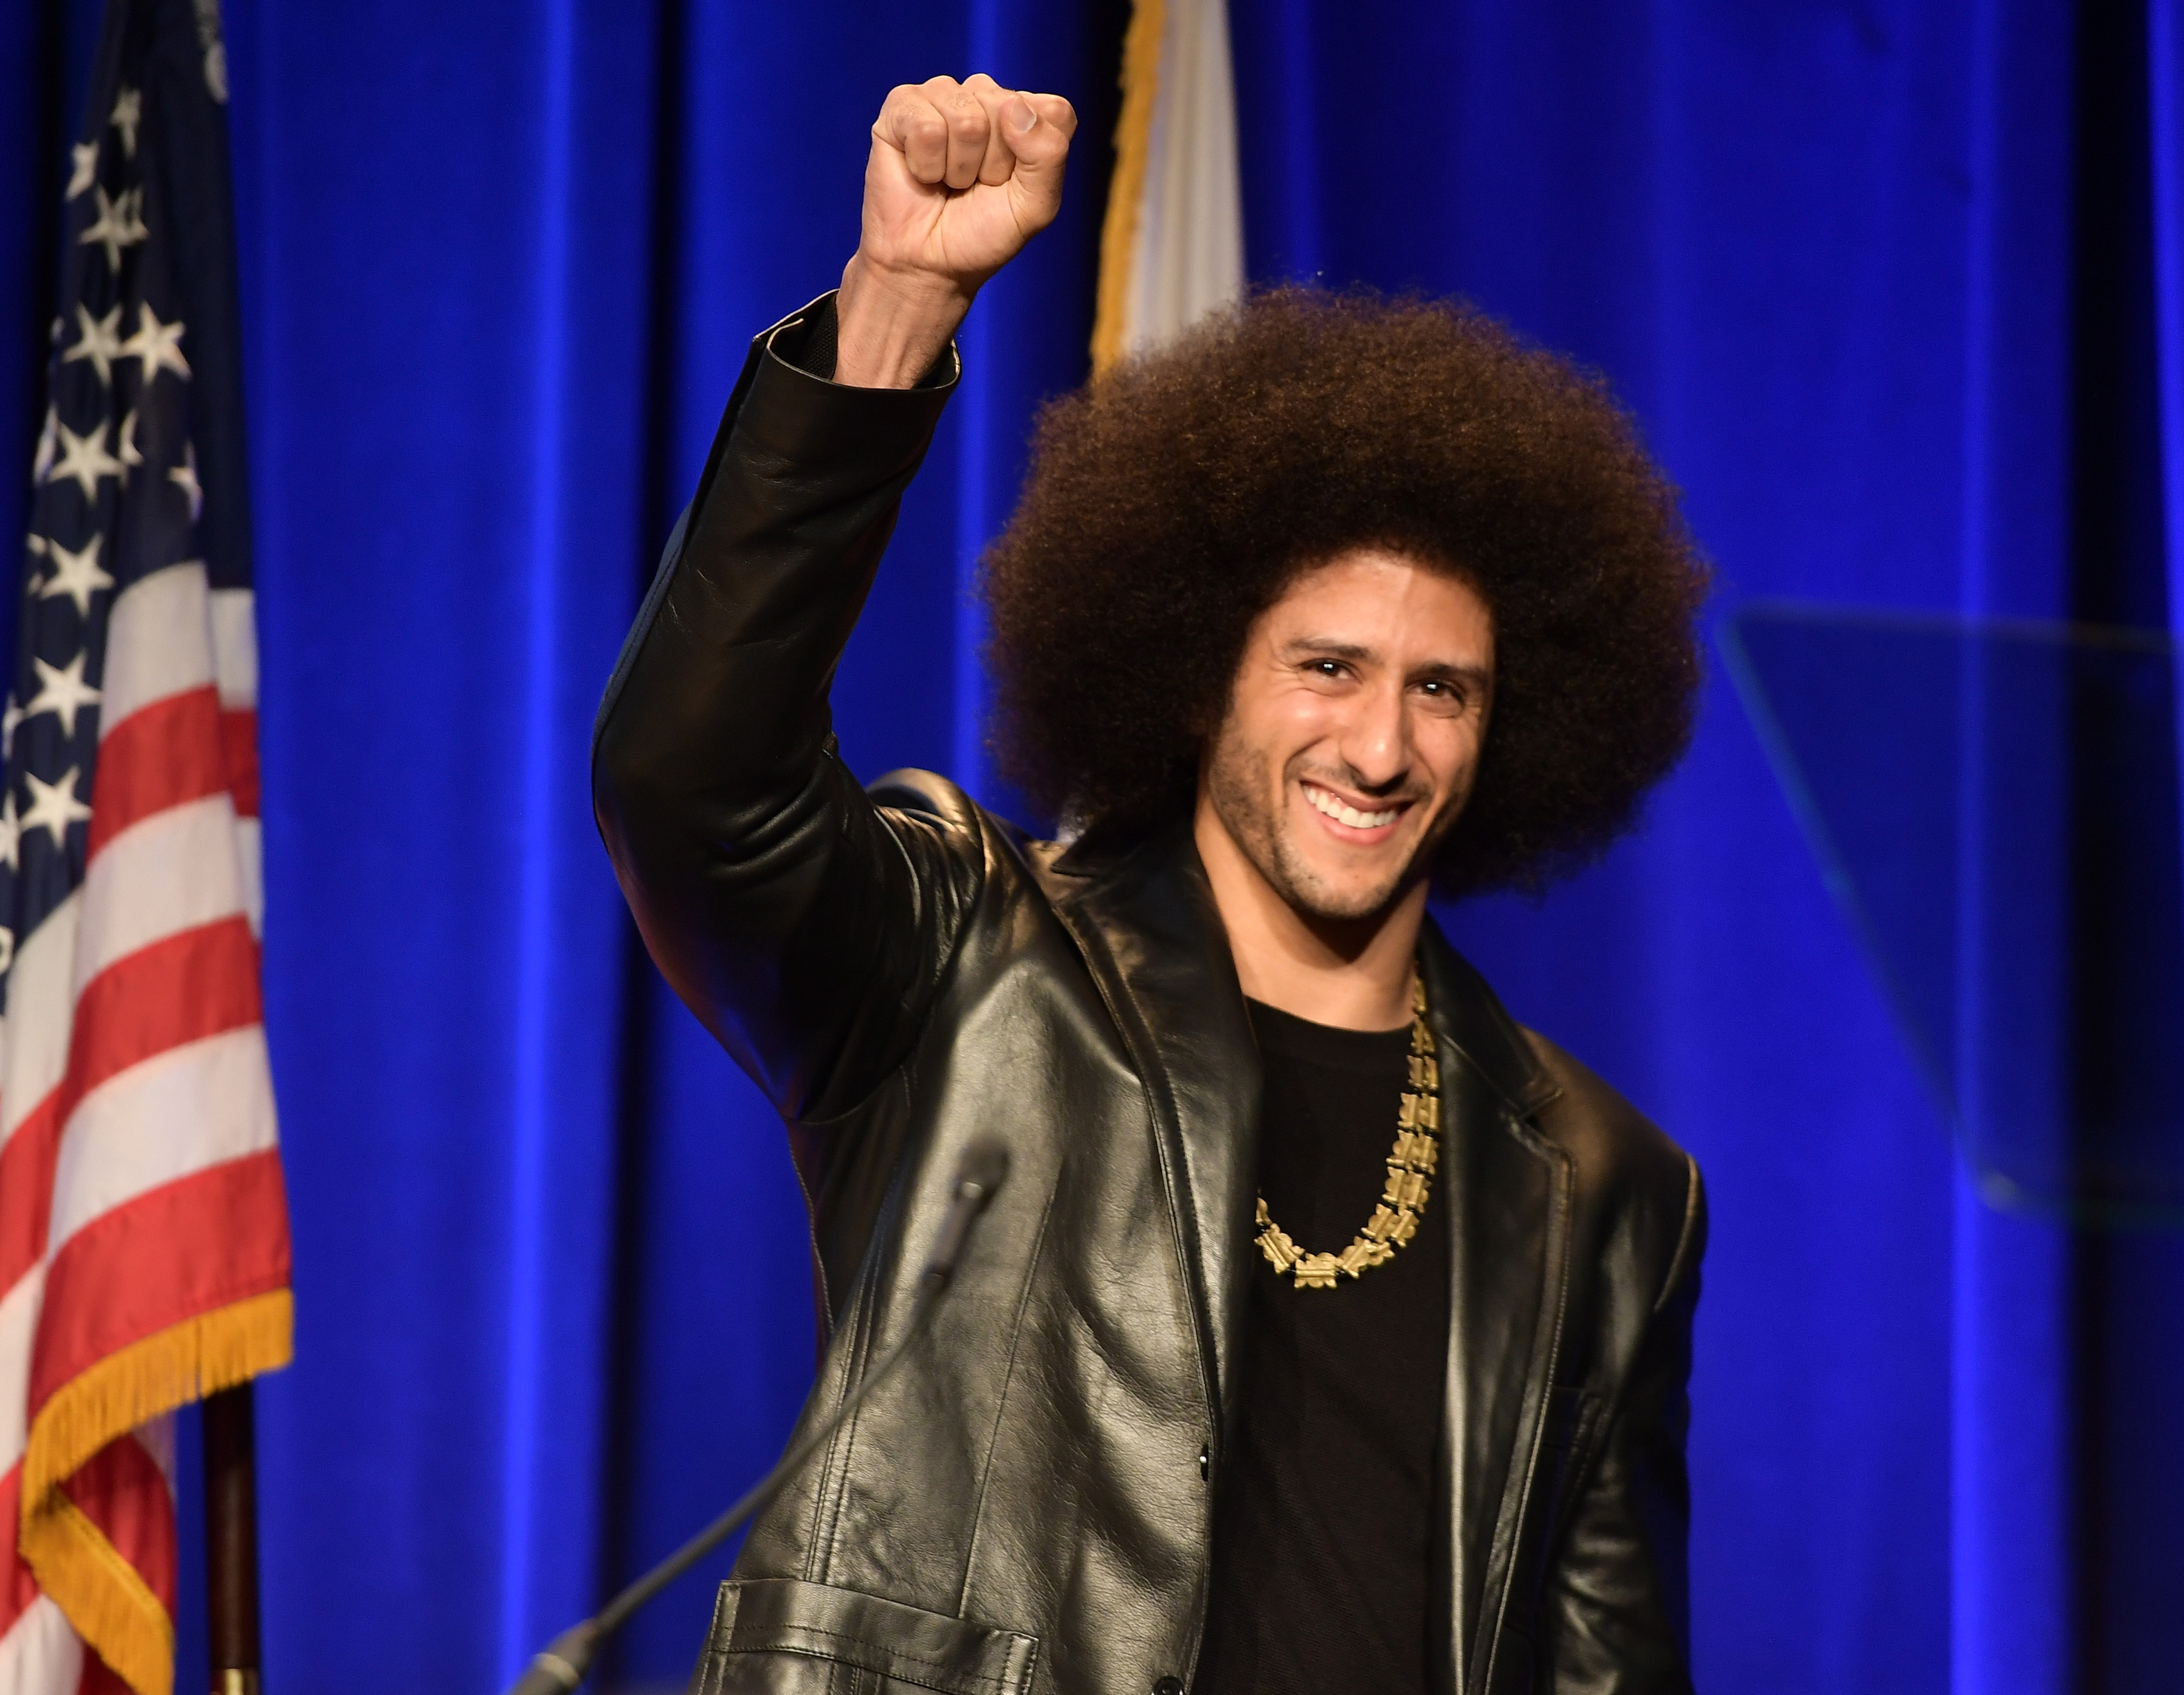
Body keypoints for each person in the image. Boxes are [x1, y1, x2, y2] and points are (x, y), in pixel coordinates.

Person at [593, 71, 1711, 1695]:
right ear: (1204, 675)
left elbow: (1608, 1671)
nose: (1379, 746)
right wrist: (897, 305)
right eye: (1326, 666)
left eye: (1442, 689)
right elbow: (686, 783)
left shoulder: (1602, 1180)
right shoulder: (962, 960)